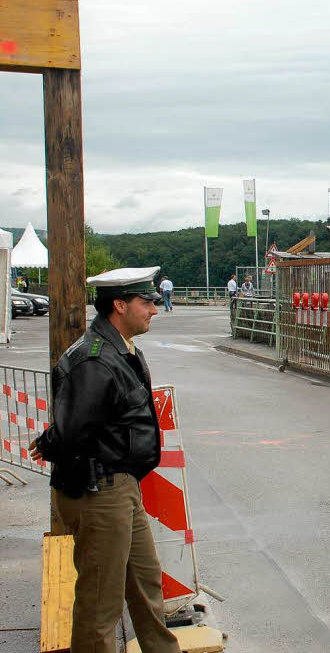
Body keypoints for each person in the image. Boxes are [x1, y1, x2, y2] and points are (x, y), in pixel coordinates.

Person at [28, 267, 182, 653]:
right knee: (101, 605)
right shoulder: (96, 360)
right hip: (99, 491)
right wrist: (50, 441)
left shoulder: (122, 350)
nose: (154, 309)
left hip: (121, 487)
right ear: (120, 305)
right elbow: (72, 431)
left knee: (146, 588)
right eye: (145, 302)